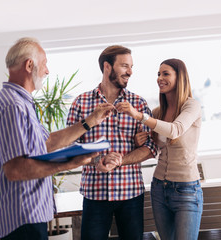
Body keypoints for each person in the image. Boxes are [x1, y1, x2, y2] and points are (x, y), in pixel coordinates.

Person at [0, 37, 115, 240]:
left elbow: (47, 142)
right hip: (21, 216)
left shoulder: (21, 103)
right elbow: (16, 169)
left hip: (28, 214)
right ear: (30, 65)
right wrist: (68, 163)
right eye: (44, 63)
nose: (47, 71)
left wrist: (90, 121)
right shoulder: (13, 106)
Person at [66, 45, 158, 240]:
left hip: (131, 193)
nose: (130, 72)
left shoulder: (138, 104)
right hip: (94, 193)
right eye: (125, 66)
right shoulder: (81, 103)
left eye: (131, 66)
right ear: (107, 66)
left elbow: (151, 147)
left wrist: (119, 161)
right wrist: (97, 161)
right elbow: (70, 148)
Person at [116, 58, 203, 240]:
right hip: (159, 188)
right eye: (158, 74)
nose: (160, 78)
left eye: (165, 74)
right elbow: (154, 148)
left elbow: (175, 130)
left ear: (180, 78)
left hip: (187, 189)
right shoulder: (157, 112)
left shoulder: (191, 106)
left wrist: (138, 115)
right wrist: (141, 141)